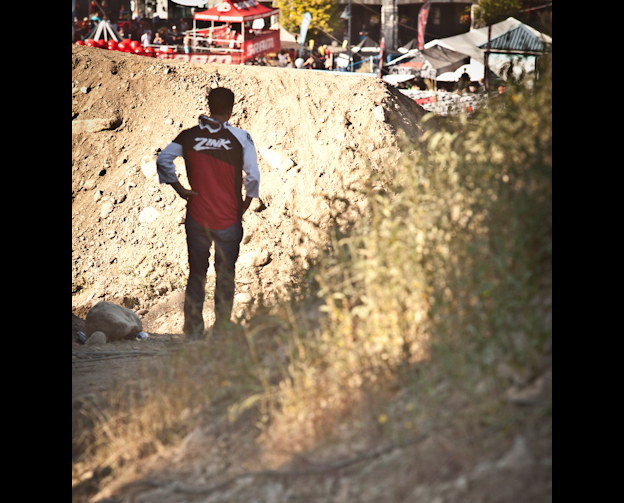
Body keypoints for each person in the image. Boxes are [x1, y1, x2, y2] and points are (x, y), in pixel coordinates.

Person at [156, 88, 261, 341]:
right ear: (231, 108)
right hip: (228, 220)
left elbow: (163, 160)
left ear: (209, 105)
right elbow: (253, 177)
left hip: (197, 218)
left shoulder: (189, 136)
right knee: (225, 275)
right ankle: (222, 330)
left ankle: (193, 331)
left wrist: (180, 189)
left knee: (197, 273)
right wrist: (244, 206)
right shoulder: (240, 137)